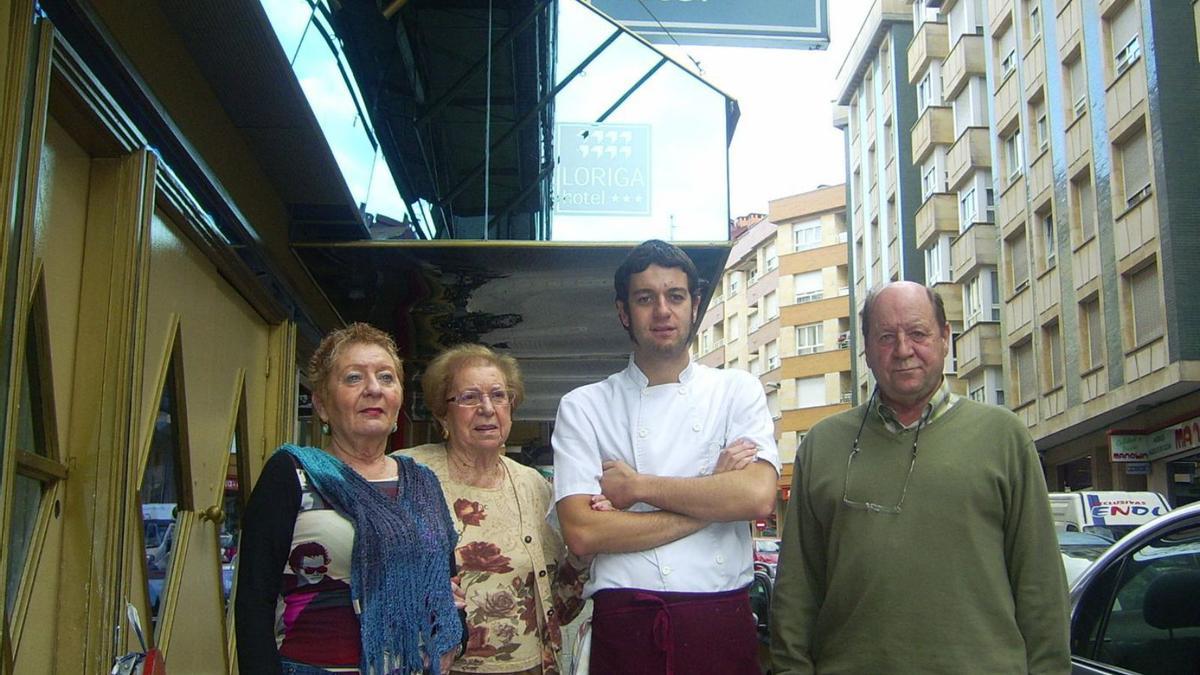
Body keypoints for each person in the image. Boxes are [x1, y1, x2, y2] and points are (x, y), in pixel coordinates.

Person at [770, 281, 1070, 674]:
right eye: (885, 336)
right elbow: (797, 589)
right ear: (865, 349)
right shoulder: (822, 446)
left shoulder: (1005, 439)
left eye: (918, 333)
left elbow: (1041, 586)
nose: (903, 350)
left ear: (946, 337)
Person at [552, 239, 780, 674]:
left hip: (721, 621)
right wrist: (713, 498)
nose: (662, 310)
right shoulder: (584, 405)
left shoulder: (737, 390)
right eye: (645, 299)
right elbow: (582, 531)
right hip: (627, 622)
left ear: (694, 306)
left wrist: (637, 487)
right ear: (623, 313)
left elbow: (756, 497)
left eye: (675, 296)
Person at [236, 323, 463, 674]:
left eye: (386, 378)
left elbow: (448, 583)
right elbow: (253, 600)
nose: (374, 389)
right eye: (354, 378)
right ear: (322, 405)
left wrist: (454, 632)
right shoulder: (293, 473)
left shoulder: (422, 483)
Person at [401, 344, 590, 675]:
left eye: (499, 396)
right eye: (469, 397)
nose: (487, 408)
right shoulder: (408, 474)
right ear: (442, 414)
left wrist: (585, 556)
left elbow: (559, 606)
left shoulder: (535, 486)